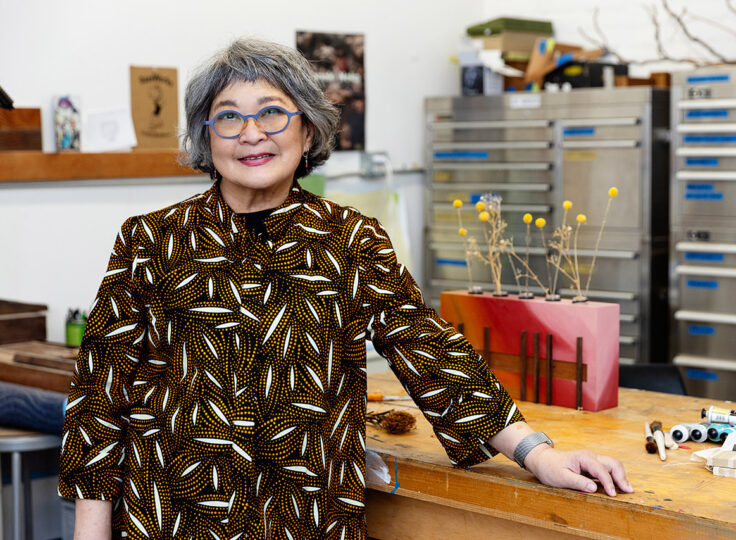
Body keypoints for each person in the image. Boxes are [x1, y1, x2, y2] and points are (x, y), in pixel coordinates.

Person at [59, 38, 632, 539]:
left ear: (307, 128)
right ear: (206, 138)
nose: (251, 134)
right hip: (174, 516)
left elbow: (431, 353)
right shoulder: (151, 240)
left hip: (309, 517)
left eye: (273, 114)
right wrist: (90, 533)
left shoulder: (349, 239)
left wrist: (539, 453)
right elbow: (99, 394)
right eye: (228, 117)